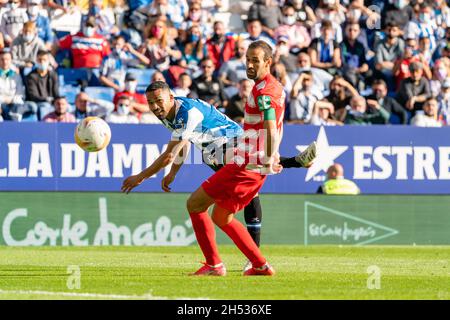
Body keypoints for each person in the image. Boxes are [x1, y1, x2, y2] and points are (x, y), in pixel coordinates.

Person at [121, 42, 317, 276]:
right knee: (223, 214)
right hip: (225, 154)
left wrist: (140, 177)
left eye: (158, 101)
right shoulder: (171, 112)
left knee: (202, 204)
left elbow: (171, 153)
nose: (154, 107)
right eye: (151, 103)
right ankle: (256, 264)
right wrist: (173, 173)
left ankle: (223, 264)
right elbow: (184, 142)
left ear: (171, 97)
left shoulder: (191, 111)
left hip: (231, 146)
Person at [24, 49, 59, 120]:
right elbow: (33, 96)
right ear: (36, 61)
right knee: (45, 106)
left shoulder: (53, 75)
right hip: (36, 103)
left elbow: (56, 92)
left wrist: (56, 101)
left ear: (48, 61)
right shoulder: (30, 76)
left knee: (65, 107)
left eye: (44, 60)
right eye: (39, 60)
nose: (42, 62)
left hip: (51, 102)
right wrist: (46, 99)